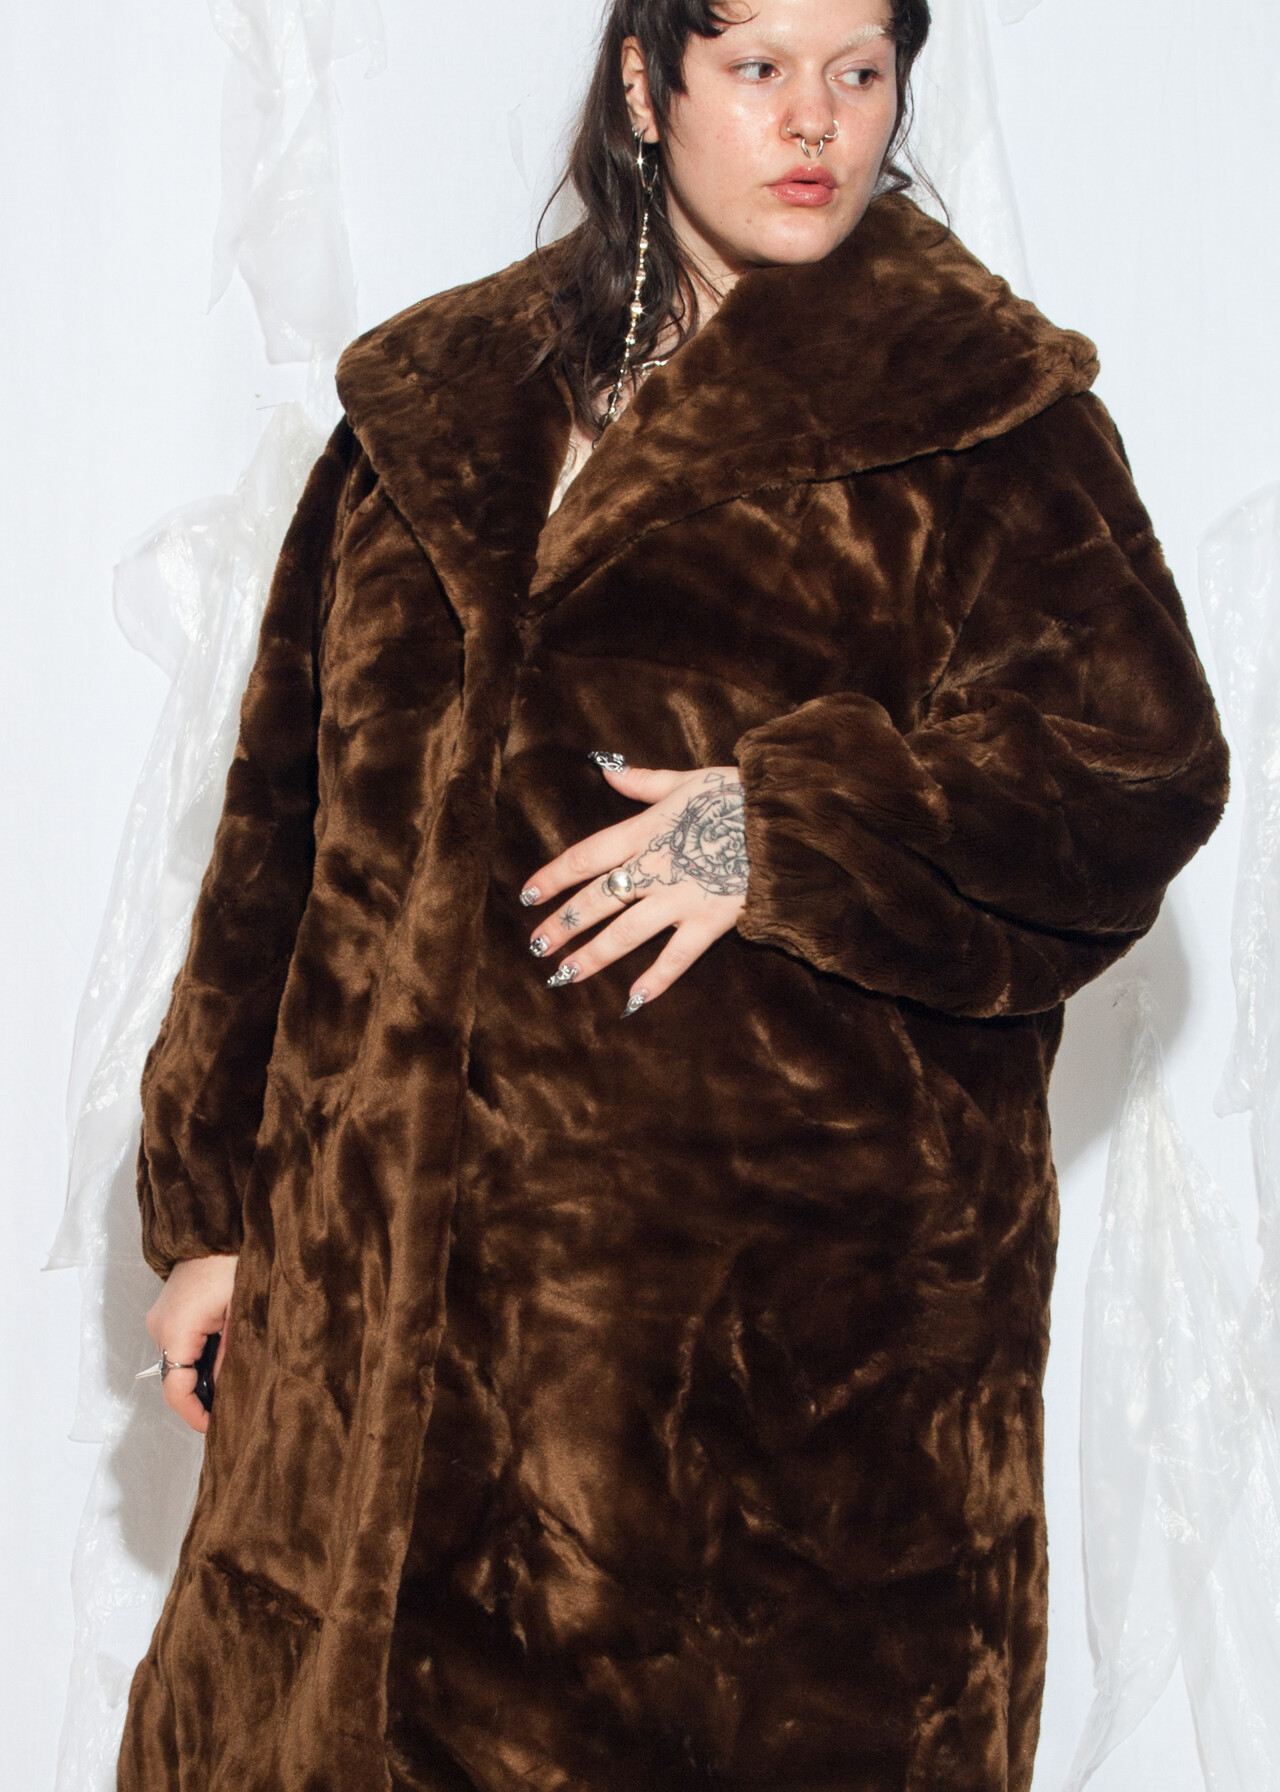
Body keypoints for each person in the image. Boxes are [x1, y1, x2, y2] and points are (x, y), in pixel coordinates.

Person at [120, 1, 1229, 1787]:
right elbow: (282, 834)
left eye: (859, 71)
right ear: (647, 84)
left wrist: (788, 832)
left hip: (756, 1393)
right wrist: (211, 1212)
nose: (817, 122)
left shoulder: (982, 424)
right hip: (372, 1334)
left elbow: (1133, 774)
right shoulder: (431, 405)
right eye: (759, 67)